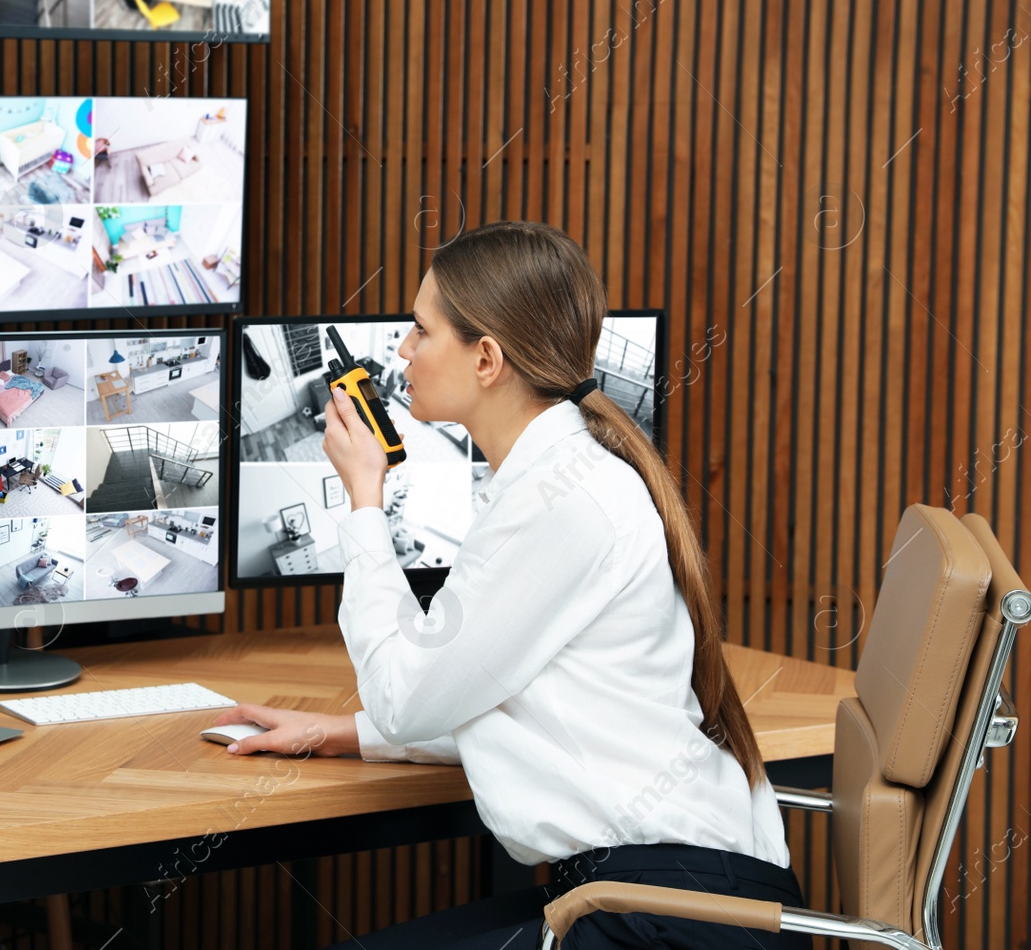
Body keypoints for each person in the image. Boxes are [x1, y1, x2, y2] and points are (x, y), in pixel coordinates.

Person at [214, 222, 809, 948]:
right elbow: (500, 691)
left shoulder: (559, 503)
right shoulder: (555, 478)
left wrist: (363, 500)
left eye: (419, 330)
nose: (401, 350)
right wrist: (345, 732)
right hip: (654, 892)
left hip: (671, 917)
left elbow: (407, 695)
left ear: (486, 358)